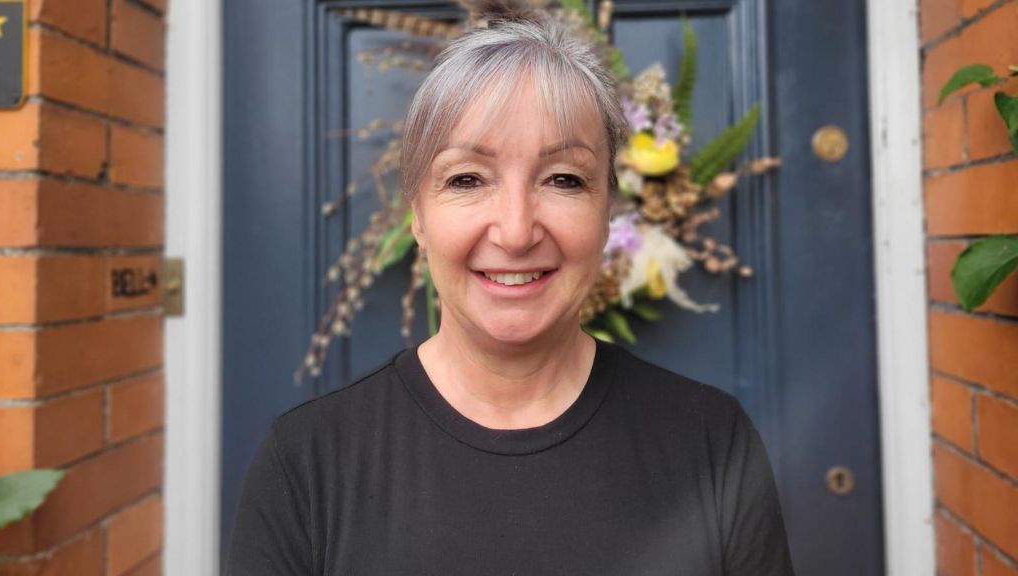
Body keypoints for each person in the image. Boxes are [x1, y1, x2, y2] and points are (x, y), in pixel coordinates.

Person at [226, 3, 794, 575]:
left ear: (607, 212)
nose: (517, 231)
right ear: (417, 215)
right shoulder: (304, 464)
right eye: (467, 179)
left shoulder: (711, 442)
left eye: (564, 179)